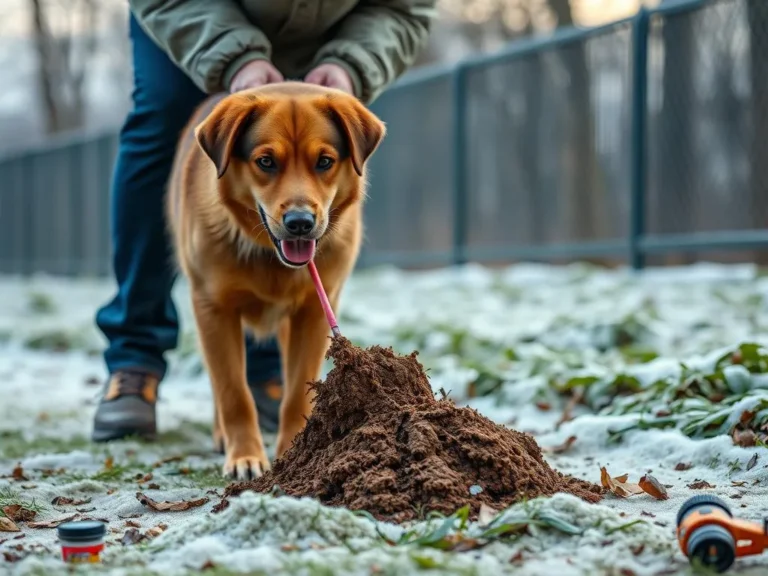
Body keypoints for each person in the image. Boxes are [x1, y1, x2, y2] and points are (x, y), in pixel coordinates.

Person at [92, 1, 436, 443]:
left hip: (331, 31)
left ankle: (266, 375)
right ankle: (134, 357)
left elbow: (404, 7)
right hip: (187, 14)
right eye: (267, 164)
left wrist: (350, 64)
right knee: (158, 117)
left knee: (300, 133)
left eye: (324, 164)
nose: (298, 205)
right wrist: (235, 57)